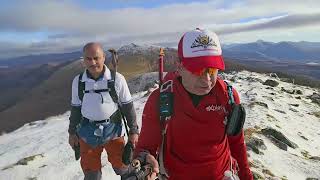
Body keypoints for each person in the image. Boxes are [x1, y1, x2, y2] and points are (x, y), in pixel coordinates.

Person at [134, 29, 253, 180]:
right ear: (180, 66)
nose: (207, 79)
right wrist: (144, 160)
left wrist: (246, 176)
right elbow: (146, 147)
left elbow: (237, 142)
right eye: (198, 70)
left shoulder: (227, 96)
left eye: (211, 69)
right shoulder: (161, 99)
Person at [68, 42, 139, 180]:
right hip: (86, 132)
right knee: (91, 173)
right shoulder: (78, 82)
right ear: (84, 60)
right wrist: (72, 132)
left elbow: (128, 108)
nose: (93, 62)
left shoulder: (117, 79)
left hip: (113, 131)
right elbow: (76, 109)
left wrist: (134, 131)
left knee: (122, 167)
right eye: (88, 59)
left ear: (103, 57)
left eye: (96, 58)